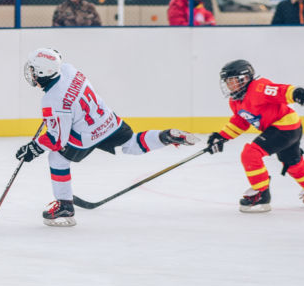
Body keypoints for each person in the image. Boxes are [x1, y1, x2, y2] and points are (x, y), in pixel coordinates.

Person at [16, 48, 197, 227]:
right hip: (107, 120)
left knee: (57, 158)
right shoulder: (68, 69)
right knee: (132, 143)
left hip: (86, 135)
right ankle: (165, 136)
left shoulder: (52, 101)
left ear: (42, 72)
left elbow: (57, 140)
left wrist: (34, 147)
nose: (30, 73)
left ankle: (65, 206)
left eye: (33, 70)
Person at [206, 59, 304, 213]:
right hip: (290, 127)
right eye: (227, 82)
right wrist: (222, 136)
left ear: (245, 78)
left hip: (284, 126)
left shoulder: (258, 88)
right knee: (292, 161)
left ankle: (261, 194)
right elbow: (241, 121)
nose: (229, 85)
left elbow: (280, 91)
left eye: (232, 81)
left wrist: (296, 92)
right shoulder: (236, 101)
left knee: (251, 153)